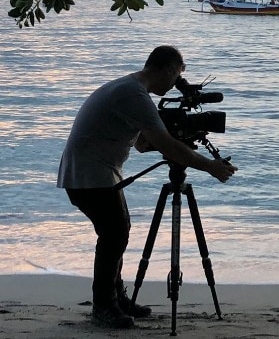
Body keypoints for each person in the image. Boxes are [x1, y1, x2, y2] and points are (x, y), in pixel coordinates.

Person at [57, 45, 237, 329]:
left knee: (117, 232)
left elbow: (142, 145)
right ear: (167, 69)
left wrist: (178, 140)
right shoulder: (134, 95)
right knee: (114, 235)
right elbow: (163, 145)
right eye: (177, 75)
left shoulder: (130, 90)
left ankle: (116, 298)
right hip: (90, 175)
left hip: (95, 173)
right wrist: (210, 166)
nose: (176, 83)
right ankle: (104, 307)